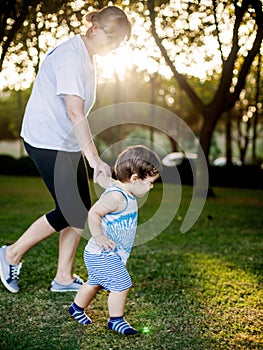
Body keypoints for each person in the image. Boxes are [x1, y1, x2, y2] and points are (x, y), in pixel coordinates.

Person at [0, 6, 132, 294]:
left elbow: (77, 116)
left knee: (80, 212)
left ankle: (63, 278)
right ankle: (10, 254)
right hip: (46, 139)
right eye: (111, 39)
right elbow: (76, 113)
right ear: (95, 28)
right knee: (72, 210)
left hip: (65, 141)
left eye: (119, 42)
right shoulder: (71, 58)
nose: (113, 47)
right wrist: (95, 160)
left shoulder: (88, 56)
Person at [68, 145, 162, 335]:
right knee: (122, 284)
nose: (151, 186)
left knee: (94, 282)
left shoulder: (118, 187)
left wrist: (99, 173)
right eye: (150, 182)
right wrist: (99, 236)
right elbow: (94, 213)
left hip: (107, 253)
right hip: (102, 252)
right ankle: (116, 320)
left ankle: (76, 308)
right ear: (135, 179)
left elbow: (103, 179)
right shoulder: (116, 196)